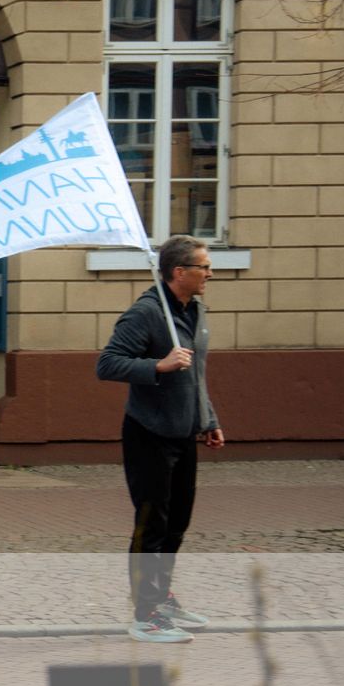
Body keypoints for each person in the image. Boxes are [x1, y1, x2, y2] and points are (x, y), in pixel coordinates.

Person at [96, 235, 224, 644]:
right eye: (203, 267)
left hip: (185, 431)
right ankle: (145, 615)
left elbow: (197, 373)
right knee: (152, 526)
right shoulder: (146, 313)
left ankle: (162, 598)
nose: (210, 273)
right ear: (178, 272)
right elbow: (108, 364)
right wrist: (159, 364)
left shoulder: (194, 310)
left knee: (177, 524)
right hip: (149, 432)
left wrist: (208, 418)